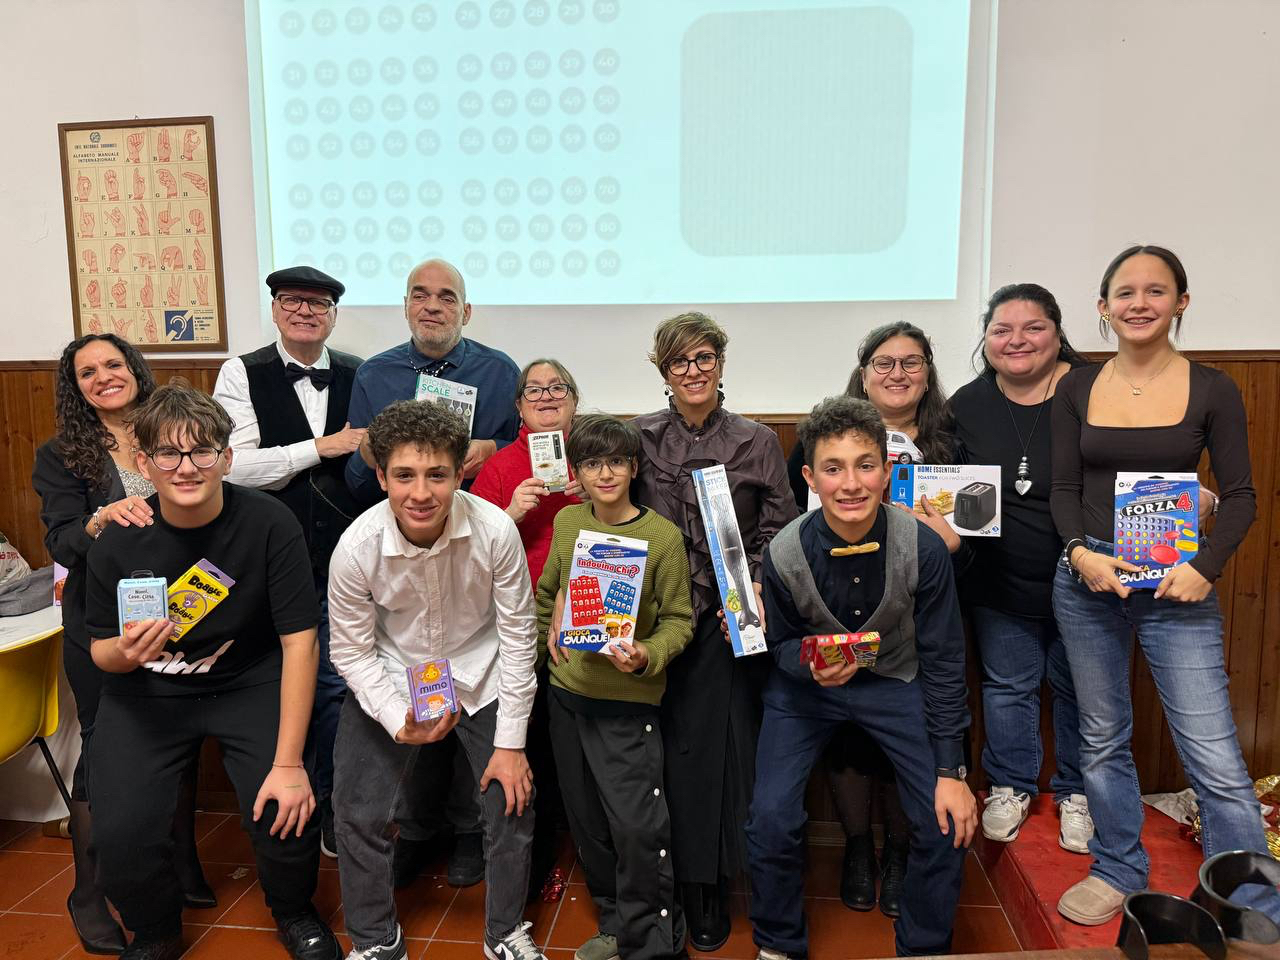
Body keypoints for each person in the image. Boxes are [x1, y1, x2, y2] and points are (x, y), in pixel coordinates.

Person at [1051, 245, 1278, 926]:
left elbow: (1240, 496)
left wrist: (1203, 568)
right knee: (1101, 738)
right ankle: (1118, 866)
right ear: (1103, 307)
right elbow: (1064, 490)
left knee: (1212, 752)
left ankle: (1251, 900)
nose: (1139, 303)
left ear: (1181, 302)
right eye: (1125, 292)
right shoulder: (1076, 388)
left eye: (1156, 291)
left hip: (1178, 583)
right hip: (1090, 581)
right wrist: (1079, 556)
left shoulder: (1213, 388)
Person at [82, 381, 341, 960]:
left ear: (226, 458)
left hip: (247, 681)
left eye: (202, 451)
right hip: (145, 691)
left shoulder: (270, 523)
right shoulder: (119, 539)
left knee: (285, 804)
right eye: (168, 454)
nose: (186, 467)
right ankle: (154, 931)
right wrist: (127, 652)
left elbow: (300, 643)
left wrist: (289, 764)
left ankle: (295, 912)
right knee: (120, 828)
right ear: (144, 464)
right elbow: (100, 651)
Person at [747, 395, 976, 960]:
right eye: (833, 468)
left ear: (887, 471)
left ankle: (923, 948)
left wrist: (951, 769)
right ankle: (778, 944)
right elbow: (778, 647)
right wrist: (810, 663)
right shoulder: (784, 553)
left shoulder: (924, 548)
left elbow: (945, 659)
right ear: (810, 478)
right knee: (770, 819)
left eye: (865, 465)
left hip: (895, 680)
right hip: (806, 694)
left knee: (947, 819)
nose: (851, 484)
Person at [326, 400, 543, 960]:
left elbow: (519, 636)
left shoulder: (495, 530)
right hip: (393, 674)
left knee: (511, 802)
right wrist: (395, 718)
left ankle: (504, 933)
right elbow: (350, 650)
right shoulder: (355, 547)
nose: (420, 493)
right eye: (404, 475)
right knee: (356, 810)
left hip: (481, 671)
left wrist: (511, 745)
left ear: (459, 475)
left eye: (437, 475)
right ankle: (376, 941)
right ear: (381, 478)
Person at [32, 334, 212, 956]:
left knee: (181, 737)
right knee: (104, 752)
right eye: (87, 372)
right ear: (75, 387)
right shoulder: (62, 455)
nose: (104, 376)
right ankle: (87, 891)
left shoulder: (175, 429)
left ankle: (179, 865)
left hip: (185, 614)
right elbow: (61, 542)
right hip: (102, 623)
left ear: (134, 368)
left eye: (113, 363)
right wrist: (100, 518)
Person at [345, 258, 520, 886]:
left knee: (473, 694)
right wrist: (375, 454)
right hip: (401, 557)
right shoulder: (375, 374)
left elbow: (525, 454)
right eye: (420, 295)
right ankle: (418, 832)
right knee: (412, 695)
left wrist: (492, 450)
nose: (432, 306)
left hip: (474, 550)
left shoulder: (499, 372)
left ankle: (469, 831)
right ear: (405, 306)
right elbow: (357, 479)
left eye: (447, 297)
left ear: (465, 311)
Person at [632, 312, 798, 951]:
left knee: (725, 753)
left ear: (721, 364)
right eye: (680, 361)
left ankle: (714, 881)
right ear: (663, 370)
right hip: (656, 619)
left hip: (732, 620)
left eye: (704, 358)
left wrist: (749, 587)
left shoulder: (757, 441)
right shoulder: (639, 437)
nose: (694, 370)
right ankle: (676, 879)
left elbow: (778, 529)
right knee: (669, 755)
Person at [781, 322, 955, 916]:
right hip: (833, 615)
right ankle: (858, 847)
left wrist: (947, 545)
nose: (897, 373)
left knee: (911, 744)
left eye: (911, 362)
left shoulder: (950, 440)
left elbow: (973, 532)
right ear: (864, 373)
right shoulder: (821, 438)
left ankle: (901, 852)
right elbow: (793, 529)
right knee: (849, 743)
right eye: (884, 362)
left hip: (917, 616)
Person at [213, 265, 366, 859]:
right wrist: (322, 447)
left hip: (345, 559)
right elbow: (235, 467)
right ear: (275, 308)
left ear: (334, 315)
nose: (306, 311)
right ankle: (280, 810)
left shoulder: (360, 372)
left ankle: (331, 807)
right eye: (294, 301)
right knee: (270, 682)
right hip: (265, 557)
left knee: (335, 686)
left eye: (319, 303)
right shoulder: (240, 372)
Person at [536, 413, 693, 960]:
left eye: (617, 462)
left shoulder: (661, 537)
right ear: (576, 472)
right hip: (566, 696)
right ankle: (617, 924)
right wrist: (545, 640)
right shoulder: (567, 522)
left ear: (633, 467)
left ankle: (653, 942)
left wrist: (647, 654)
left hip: (626, 703)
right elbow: (548, 592)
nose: (605, 474)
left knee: (635, 828)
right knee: (588, 825)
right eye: (592, 463)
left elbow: (679, 620)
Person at [948, 285, 1095, 852]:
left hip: (1086, 574)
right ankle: (1010, 786)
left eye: (1033, 327)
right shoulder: (966, 404)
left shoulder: (1093, 390)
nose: (1017, 341)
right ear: (986, 339)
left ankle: (1079, 793)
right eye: (1001, 330)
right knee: (1007, 687)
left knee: (1081, 689)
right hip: (999, 578)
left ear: (1057, 333)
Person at [471, 358, 582, 899]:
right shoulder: (499, 468)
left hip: (586, 611)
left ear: (574, 401)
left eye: (557, 387)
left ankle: (573, 845)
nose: (546, 396)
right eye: (533, 390)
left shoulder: (594, 457)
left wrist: (596, 501)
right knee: (528, 739)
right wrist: (509, 513)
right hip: (514, 618)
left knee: (570, 742)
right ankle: (529, 858)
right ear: (518, 406)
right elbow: (467, 553)